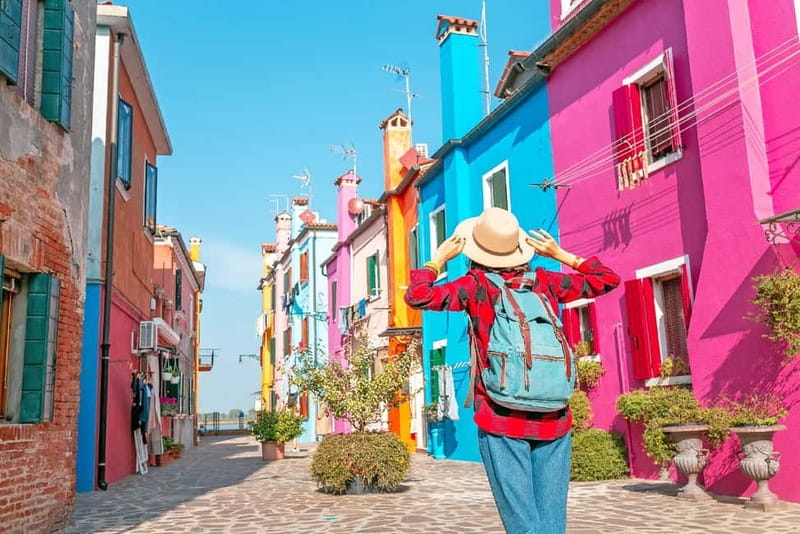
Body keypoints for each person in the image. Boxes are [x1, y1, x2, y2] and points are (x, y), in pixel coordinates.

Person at [405, 207, 620, 534]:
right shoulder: (547, 282)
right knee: (551, 523)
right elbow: (606, 280)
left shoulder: (475, 286)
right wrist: (560, 253)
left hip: (500, 416)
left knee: (522, 522)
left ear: (477, 251)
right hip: (554, 416)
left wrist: (437, 260)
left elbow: (418, 296)